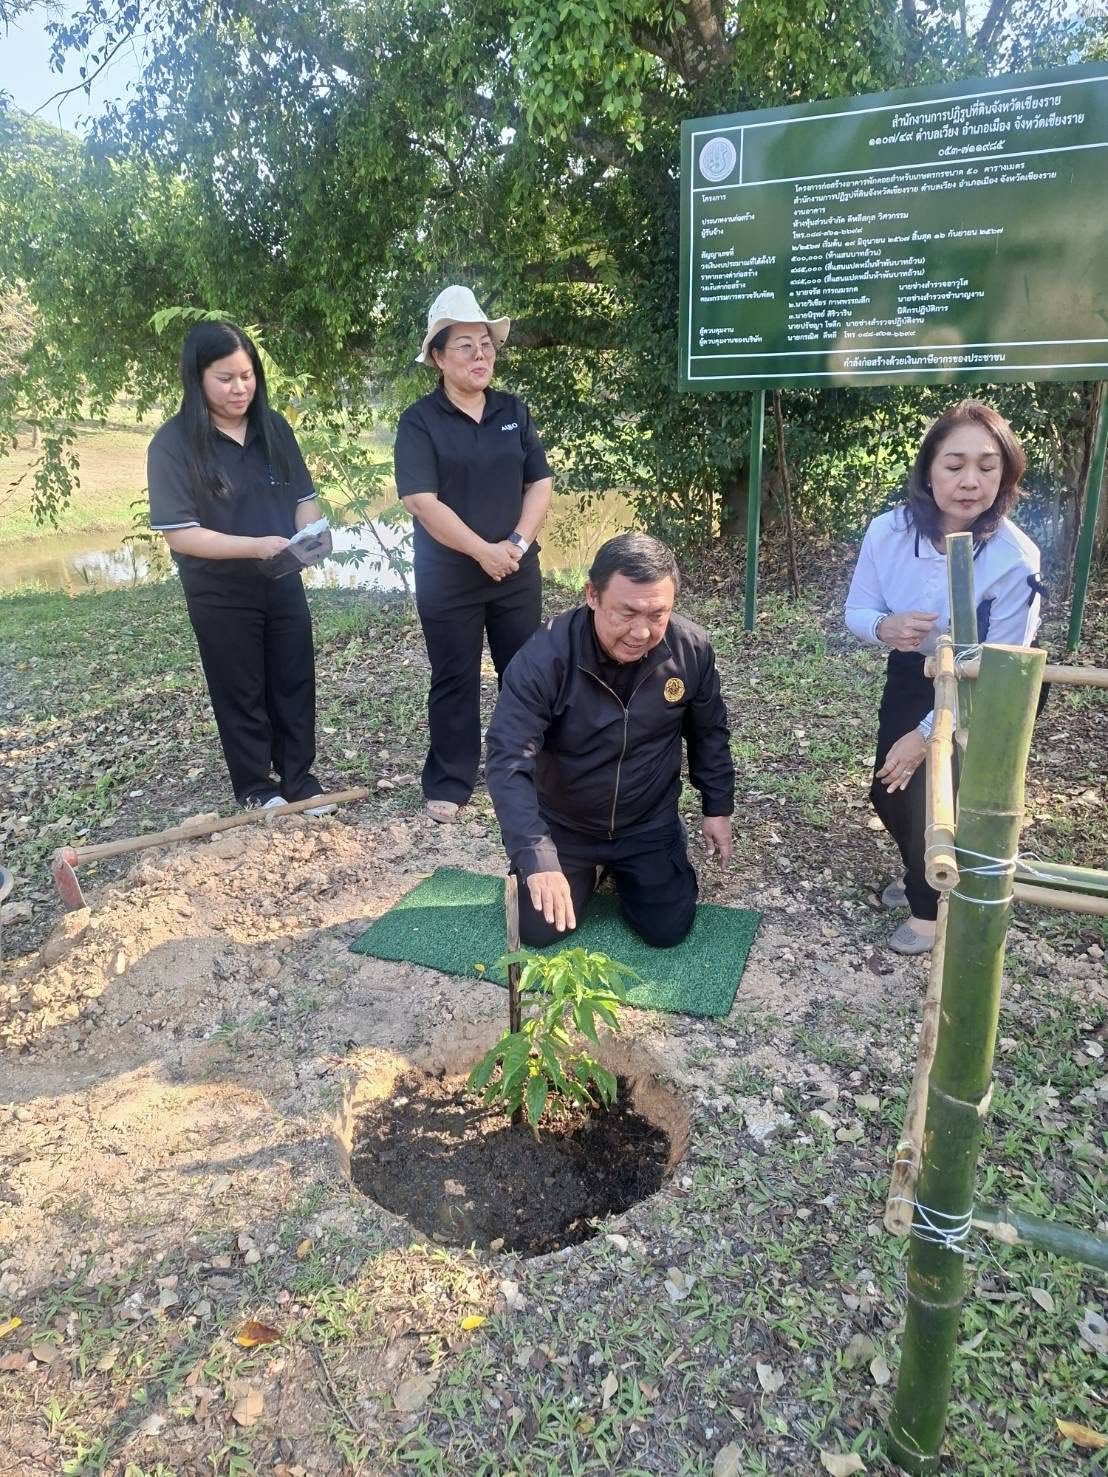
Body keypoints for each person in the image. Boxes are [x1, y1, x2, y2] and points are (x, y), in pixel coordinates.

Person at [845, 399, 1042, 955]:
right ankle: (922, 873)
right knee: (888, 790)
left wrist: (929, 731)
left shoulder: (1014, 557)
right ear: (928, 469)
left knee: (936, 791)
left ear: (1006, 475)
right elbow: (856, 611)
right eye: (954, 465)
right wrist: (885, 626)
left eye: (987, 466)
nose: (970, 482)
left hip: (989, 685)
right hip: (915, 669)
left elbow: (1000, 664)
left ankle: (929, 912)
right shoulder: (888, 532)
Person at [485, 532, 735, 948]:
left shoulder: (691, 649)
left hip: (647, 821)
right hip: (565, 824)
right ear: (592, 595)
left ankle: (638, 869)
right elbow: (507, 758)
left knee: (667, 930)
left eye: (658, 615)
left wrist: (718, 807)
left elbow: (709, 732)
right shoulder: (544, 657)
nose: (641, 631)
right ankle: (583, 869)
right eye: (627, 613)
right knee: (537, 930)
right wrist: (537, 856)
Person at [147, 319, 332, 812]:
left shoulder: (273, 428)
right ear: (197, 379)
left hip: (282, 577)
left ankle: (299, 779)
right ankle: (256, 787)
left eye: (247, 375)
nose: (239, 388)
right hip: (220, 591)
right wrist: (253, 546)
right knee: (240, 685)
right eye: (225, 378)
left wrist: (310, 534)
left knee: (294, 677)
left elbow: (305, 499)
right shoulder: (173, 445)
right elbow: (180, 533)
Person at [394, 285, 554, 823]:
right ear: (438, 357)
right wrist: (481, 551)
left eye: (485, 343)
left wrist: (514, 545)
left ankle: (528, 769)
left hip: (514, 569)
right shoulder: (420, 421)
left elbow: (540, 483)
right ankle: (450, 780)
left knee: (525, 671)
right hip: (449, 574)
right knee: (455, 674)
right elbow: (420, 500)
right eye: (464, 345)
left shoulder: (513, 410)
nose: (480, 355)